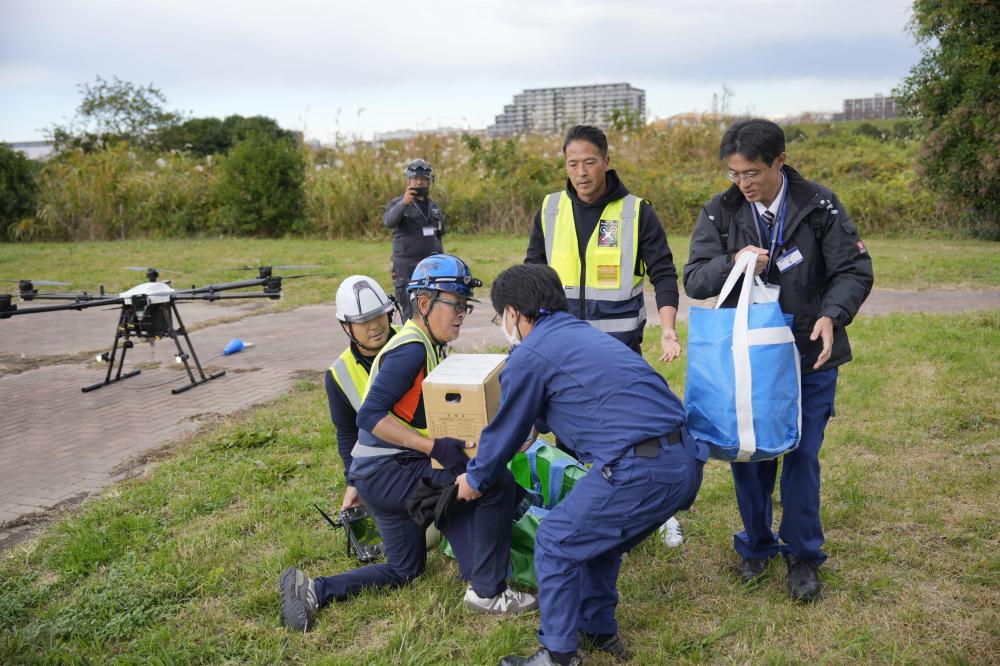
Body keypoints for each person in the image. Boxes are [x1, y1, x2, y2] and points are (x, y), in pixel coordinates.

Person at [456, 263, 707, 666]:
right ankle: (597, 629)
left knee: (556, 540)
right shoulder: (580, 335)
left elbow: (503, 434)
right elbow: (559, 401)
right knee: (594, 538)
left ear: (514, 313)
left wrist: (475, 478)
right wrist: (532, 428)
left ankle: (558, 655)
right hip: (683, 462)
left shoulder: (530, 353)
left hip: (639, 468)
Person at [280, 255, 536, 632]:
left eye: (465, 305)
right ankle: (487, 591)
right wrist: (432, 448)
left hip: (376, 478)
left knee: (406, 570)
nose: (462, 313)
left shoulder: (428, 345)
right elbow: (368, 416)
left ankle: (314, 589)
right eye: (455, 303)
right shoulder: (412, 348)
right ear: (423, 303)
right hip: (389, 474)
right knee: (491, 482)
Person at [683, 119, 873, 601]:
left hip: (809, 354)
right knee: (750, 455)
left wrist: (833, 314)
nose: (743, 184)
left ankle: (804, 556)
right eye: (733, 174)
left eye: (751, 173)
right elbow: (696, 280)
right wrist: (732, 261)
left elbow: (853, 269)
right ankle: (757, 543)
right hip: (748, 362)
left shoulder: (819, 205)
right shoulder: (720, 211)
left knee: (802, 455)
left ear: (779, 163)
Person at [525, 124, 686, 548]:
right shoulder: (550, 210)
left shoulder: (636, 212)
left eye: (589, 162)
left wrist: (668, 329)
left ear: (606, 162)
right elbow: (531, 275)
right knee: (572, 438)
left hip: (618, 354)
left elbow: (664, 272)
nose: (581, 172)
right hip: (565, 357)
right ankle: (582, 517)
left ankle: (660, 514)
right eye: (572, 163)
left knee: (631, 439)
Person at [325, 275, 398, 511]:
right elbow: (347, 432)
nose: (375, 326)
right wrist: (353, 482)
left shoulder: (414, 340)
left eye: (379, 315)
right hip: (389, 466)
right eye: (364, 321)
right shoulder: (338, 374)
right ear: (347, 327)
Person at [384, 159, 445, 321]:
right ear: (408, 180)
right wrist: (404, 202)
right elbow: (388, 222)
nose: (419, 182)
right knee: (410, 310)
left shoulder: (434, 207)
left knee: (433, 306)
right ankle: (411, 343)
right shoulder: (398, 203)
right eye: (415, 179)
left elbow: (439, 236)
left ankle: (432, 343)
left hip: (431, 265)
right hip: (406, 267)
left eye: (423, 179)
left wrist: (442, 260)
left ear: (429, 181)